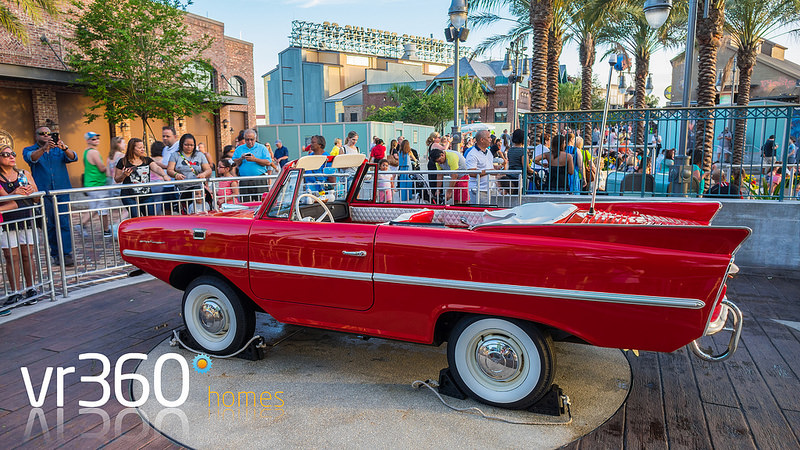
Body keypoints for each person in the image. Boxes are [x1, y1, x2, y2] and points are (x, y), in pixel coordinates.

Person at [22, 126, 77, 267]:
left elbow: (73, 157)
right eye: (43, 134)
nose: (46, 136)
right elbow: (31, 159)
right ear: (37, 136)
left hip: (61, 191)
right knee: (51, 224)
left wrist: (64, 148)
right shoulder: (29, 150)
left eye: (49, 134)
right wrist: (44, 149)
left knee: (64, 222)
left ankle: (66, 254)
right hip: (44, 193)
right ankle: (56, 254)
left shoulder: (59, 149)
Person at [0, 144, 40, 309]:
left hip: (26, 218)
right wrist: (15, 193)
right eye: (6, 154)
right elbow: (7, 200)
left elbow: (37, 198)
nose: (11, 156)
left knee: (27, 255)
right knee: (11, 257)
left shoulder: (24, 173)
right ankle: (15, 292)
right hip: (8, 221)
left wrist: (32, 190)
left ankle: (31, 289)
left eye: (12, 153)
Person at [116, 138, 169, 218]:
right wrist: (124, 175)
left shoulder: (147, 160)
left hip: (146, 195)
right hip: (129, 196)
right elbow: (117, 179)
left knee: (150, 218)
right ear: (132, 148)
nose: (142, 149)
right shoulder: (123, 161)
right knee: (136, 218)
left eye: (143, 147)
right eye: (140, 148)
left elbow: (156, 168)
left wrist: (164, 175)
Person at [168, 133, 213, 213]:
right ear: (182, 144)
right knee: (186, 210)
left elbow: (208, 170)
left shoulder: (200, 155)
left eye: (192, 145)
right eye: (186, 145)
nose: (189, 147)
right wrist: (176, 174)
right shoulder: (175, 155)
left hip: (198, 188)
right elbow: (170, 170)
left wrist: (203, 174)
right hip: (183, 189)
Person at [233, 129, 278, 201]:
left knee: (262, 202)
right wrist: (241, 158)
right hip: (245, 179)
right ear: (244, 139)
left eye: (251, 139)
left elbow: (268, 162)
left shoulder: (262, 148)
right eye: (247, 139)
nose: (249, 141)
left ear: (255, 138)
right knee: (245, 203)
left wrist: (255, 159)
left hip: (259, 179)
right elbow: (234, 163)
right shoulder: (239, 148)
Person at [82, 132, 111, 237]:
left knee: (95, 207)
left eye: (97, 138)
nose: (96, 140)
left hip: (91, 183)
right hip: (97, 184)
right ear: (88, 140)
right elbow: (101, 168)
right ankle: (106, 230)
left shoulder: (86, 152)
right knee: (102, 207)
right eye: (93, 139)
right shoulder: (93, 152)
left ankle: (82, 224)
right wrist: (111, 165)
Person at [465, 130, 494, 203]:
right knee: (482, 211)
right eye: (489, 137)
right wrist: (488, 171)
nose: (491, 139)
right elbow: (472, 173)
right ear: (482, 140)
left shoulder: (488, 151)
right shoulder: (472, 154)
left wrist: (497, 169)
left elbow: (488, 166)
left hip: (489, 188)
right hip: (478, 190)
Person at [500, 129, 532, 196]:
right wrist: (533, 172)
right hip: (520, 178)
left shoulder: (510, 150)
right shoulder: (523, 151)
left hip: (510, 177)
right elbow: (526, 167)